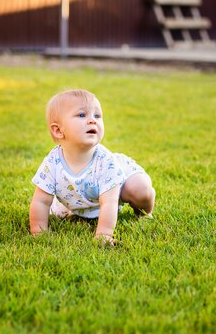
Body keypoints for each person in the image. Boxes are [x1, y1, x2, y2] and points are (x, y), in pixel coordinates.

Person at [29, 89, 155, 245]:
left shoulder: (106, 162)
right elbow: (40, 201)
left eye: (97, 115)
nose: (92, 120)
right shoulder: (52, 162)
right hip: (86, 191)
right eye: (82, 115)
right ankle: (74, 207)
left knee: (140, 189)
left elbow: (109, 203)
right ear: (58, 130)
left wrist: (104, 235)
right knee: (60, 211)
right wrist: (38, 233)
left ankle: (144, 213)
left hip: (119, 183)